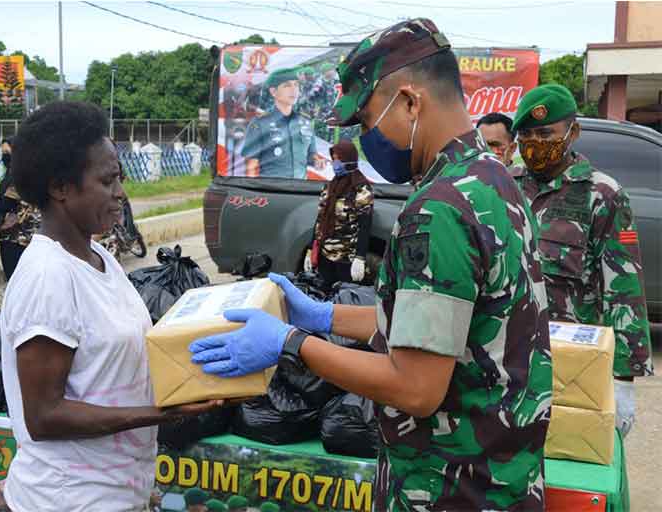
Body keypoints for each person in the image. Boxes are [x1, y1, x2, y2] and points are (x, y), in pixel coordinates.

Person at [190, 19, 552, 511]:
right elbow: (432, 325)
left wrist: (292, 344)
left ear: (409, 101)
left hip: (449, 488)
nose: (364, 140)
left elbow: (416, 387)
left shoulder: (439, 207)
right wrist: (320, 315)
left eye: (365, 122)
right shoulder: (492, 179)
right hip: (500, 477)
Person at [0, 102, 220, 512]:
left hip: (116, 493)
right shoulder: (48, 276)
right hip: (67, 499)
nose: (121, 193)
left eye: (119, 178)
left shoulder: (99, 256)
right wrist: (158, 413)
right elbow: (44, 416)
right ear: (60, 187)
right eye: (107, 180)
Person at [510, 84, 654, 437]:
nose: (534, 142)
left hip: (569, 366)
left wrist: (622, 378)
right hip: (506, 360)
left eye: (545, 133)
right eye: (526, 134)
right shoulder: (503, 186)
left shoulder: (601, 195)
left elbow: (623, 288)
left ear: (572, 132)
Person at [304, 139, 372, 287]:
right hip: (324, 257)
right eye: (334, 159)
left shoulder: (361, 189)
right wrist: (311, 249)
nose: (335, 163)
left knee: (343, 299)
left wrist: (360, 258)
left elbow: (365, 226)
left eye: (339, 159)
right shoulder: (330, 186)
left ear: (349, 160)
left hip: (346, 260)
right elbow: (320, 220)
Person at [241, 67, 321, 179]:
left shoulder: (306, 123)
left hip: (300, 190)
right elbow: (250, 167)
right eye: (287, 85)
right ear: (273, 92)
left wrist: (317, 161)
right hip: (272, 191)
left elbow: (312, 155)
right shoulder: (260, 124)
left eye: (296, 85)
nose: (294, 90)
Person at [0, 138, 41, 280]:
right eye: (3, 152)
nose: (5, 156)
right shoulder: (14, 173)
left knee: (19, 279)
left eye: (8, 152)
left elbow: (7, 203)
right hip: (12, 236)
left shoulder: (22, 175)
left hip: (20, 237)